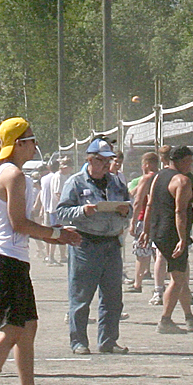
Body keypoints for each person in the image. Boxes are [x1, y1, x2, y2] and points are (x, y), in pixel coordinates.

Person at [0, 118, 80, 385]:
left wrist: (56, 236)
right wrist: (57, 234)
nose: (35, 145)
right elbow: (19, 224)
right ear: (18, 144)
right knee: (13, 328)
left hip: (12, 258)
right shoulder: (14, 175)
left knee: (28, 327)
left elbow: (20, 226)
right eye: (31, 139)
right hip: (5, 260)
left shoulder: (12, 174)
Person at [56, 137, 135, 355]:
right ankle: (79, 342)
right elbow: (61, 212)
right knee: (81, 296)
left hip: (111, 243)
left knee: (112, 297)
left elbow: (130, 208)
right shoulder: (75, 182)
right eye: (101, 160)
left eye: (108, 160)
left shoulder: (116, 182)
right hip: (85, 243)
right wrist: (83, 211)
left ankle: (108, 340)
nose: (106, 165)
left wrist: (125, 211)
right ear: (90, 159)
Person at [149, 145, 193, 333]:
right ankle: (165, 320)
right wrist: (182, 238)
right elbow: (180, 211)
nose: (191, 164)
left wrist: (147, 230)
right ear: (178, 161)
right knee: (178, 278)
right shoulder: (182, 181)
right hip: (172, 234)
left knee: (179, 276)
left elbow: (150, 204)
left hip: (159, 231)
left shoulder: (158, 176)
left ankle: (189, 317)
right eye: (188, 160)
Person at [127, 149, 161, 294]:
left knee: (141, 253)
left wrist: (133, 222)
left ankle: (137, 283)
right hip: (159, 218)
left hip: (144, 218)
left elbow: (138, 201)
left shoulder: (146, 179)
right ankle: (159, 285)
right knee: (159, 254)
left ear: (146, 164)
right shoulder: (163, 176)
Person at [38, 154, 74, 268]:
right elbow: (58, 194)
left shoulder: (65, 176)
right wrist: (64, 207)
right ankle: (51, 257)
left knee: (61, 232)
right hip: (56, 210)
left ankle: (62, 256)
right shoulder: (58, 176)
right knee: (55, 233)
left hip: (56, 210)